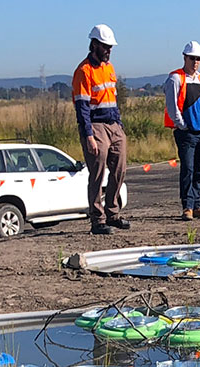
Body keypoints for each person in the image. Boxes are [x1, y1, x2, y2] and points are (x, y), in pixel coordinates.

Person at [72, 24, 129, 235]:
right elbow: (82, 107)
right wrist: (88, 135)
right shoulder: (83, 71)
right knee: (97, 172)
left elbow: (112, 100)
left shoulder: (109, 68)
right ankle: (98, 220)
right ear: (94, 44)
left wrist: (119, 124)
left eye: (110, 47)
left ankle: (113, 213)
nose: (109, 50)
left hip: (113, 123)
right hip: (95, 125)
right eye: (105, 46)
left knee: (119, 168)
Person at [164, 41, 200, 221]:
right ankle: (187, 206)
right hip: (186, 132)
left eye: (198, 59)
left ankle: (196, 205)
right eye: (192, 58)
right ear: (185, 57)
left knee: (199, 170)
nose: (195, 62)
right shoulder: (175, 78)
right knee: (188, 168)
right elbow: (172, 106)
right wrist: (182, 125)